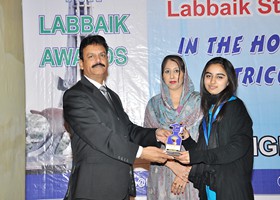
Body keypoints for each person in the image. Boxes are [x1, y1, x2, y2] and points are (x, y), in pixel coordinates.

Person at [63, 35, 174, 200]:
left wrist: (155, 134)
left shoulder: (112, 96)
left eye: (102, 55)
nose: (98, 60)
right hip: (93, 191)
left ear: (107, 60)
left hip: (120, 189)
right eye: (90, 56)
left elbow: (127, 130)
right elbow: (100, 135)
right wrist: (141, 152)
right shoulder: (75, 95)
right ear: (81, 64)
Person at [175, 57, 254, 200]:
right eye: (208, 76)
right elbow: (203, 151)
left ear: (229, 81)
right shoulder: (210, 110)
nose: (212, 81)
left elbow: (237, 148)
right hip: (210, 185)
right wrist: (187, 140)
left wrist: (197, 156)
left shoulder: (235, 107)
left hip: (230, 188)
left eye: (219, 77)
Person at [144, 55, 202, 199]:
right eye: (167, 71)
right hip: (162, 170)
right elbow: (148, 141)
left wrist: (185, 173)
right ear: (162, 75)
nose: (172, 75)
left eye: (176, 70)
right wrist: (173, 165)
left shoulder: (200, 102)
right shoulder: (154, 105)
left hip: (192, 172)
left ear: (184, 73)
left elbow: (206, 143)